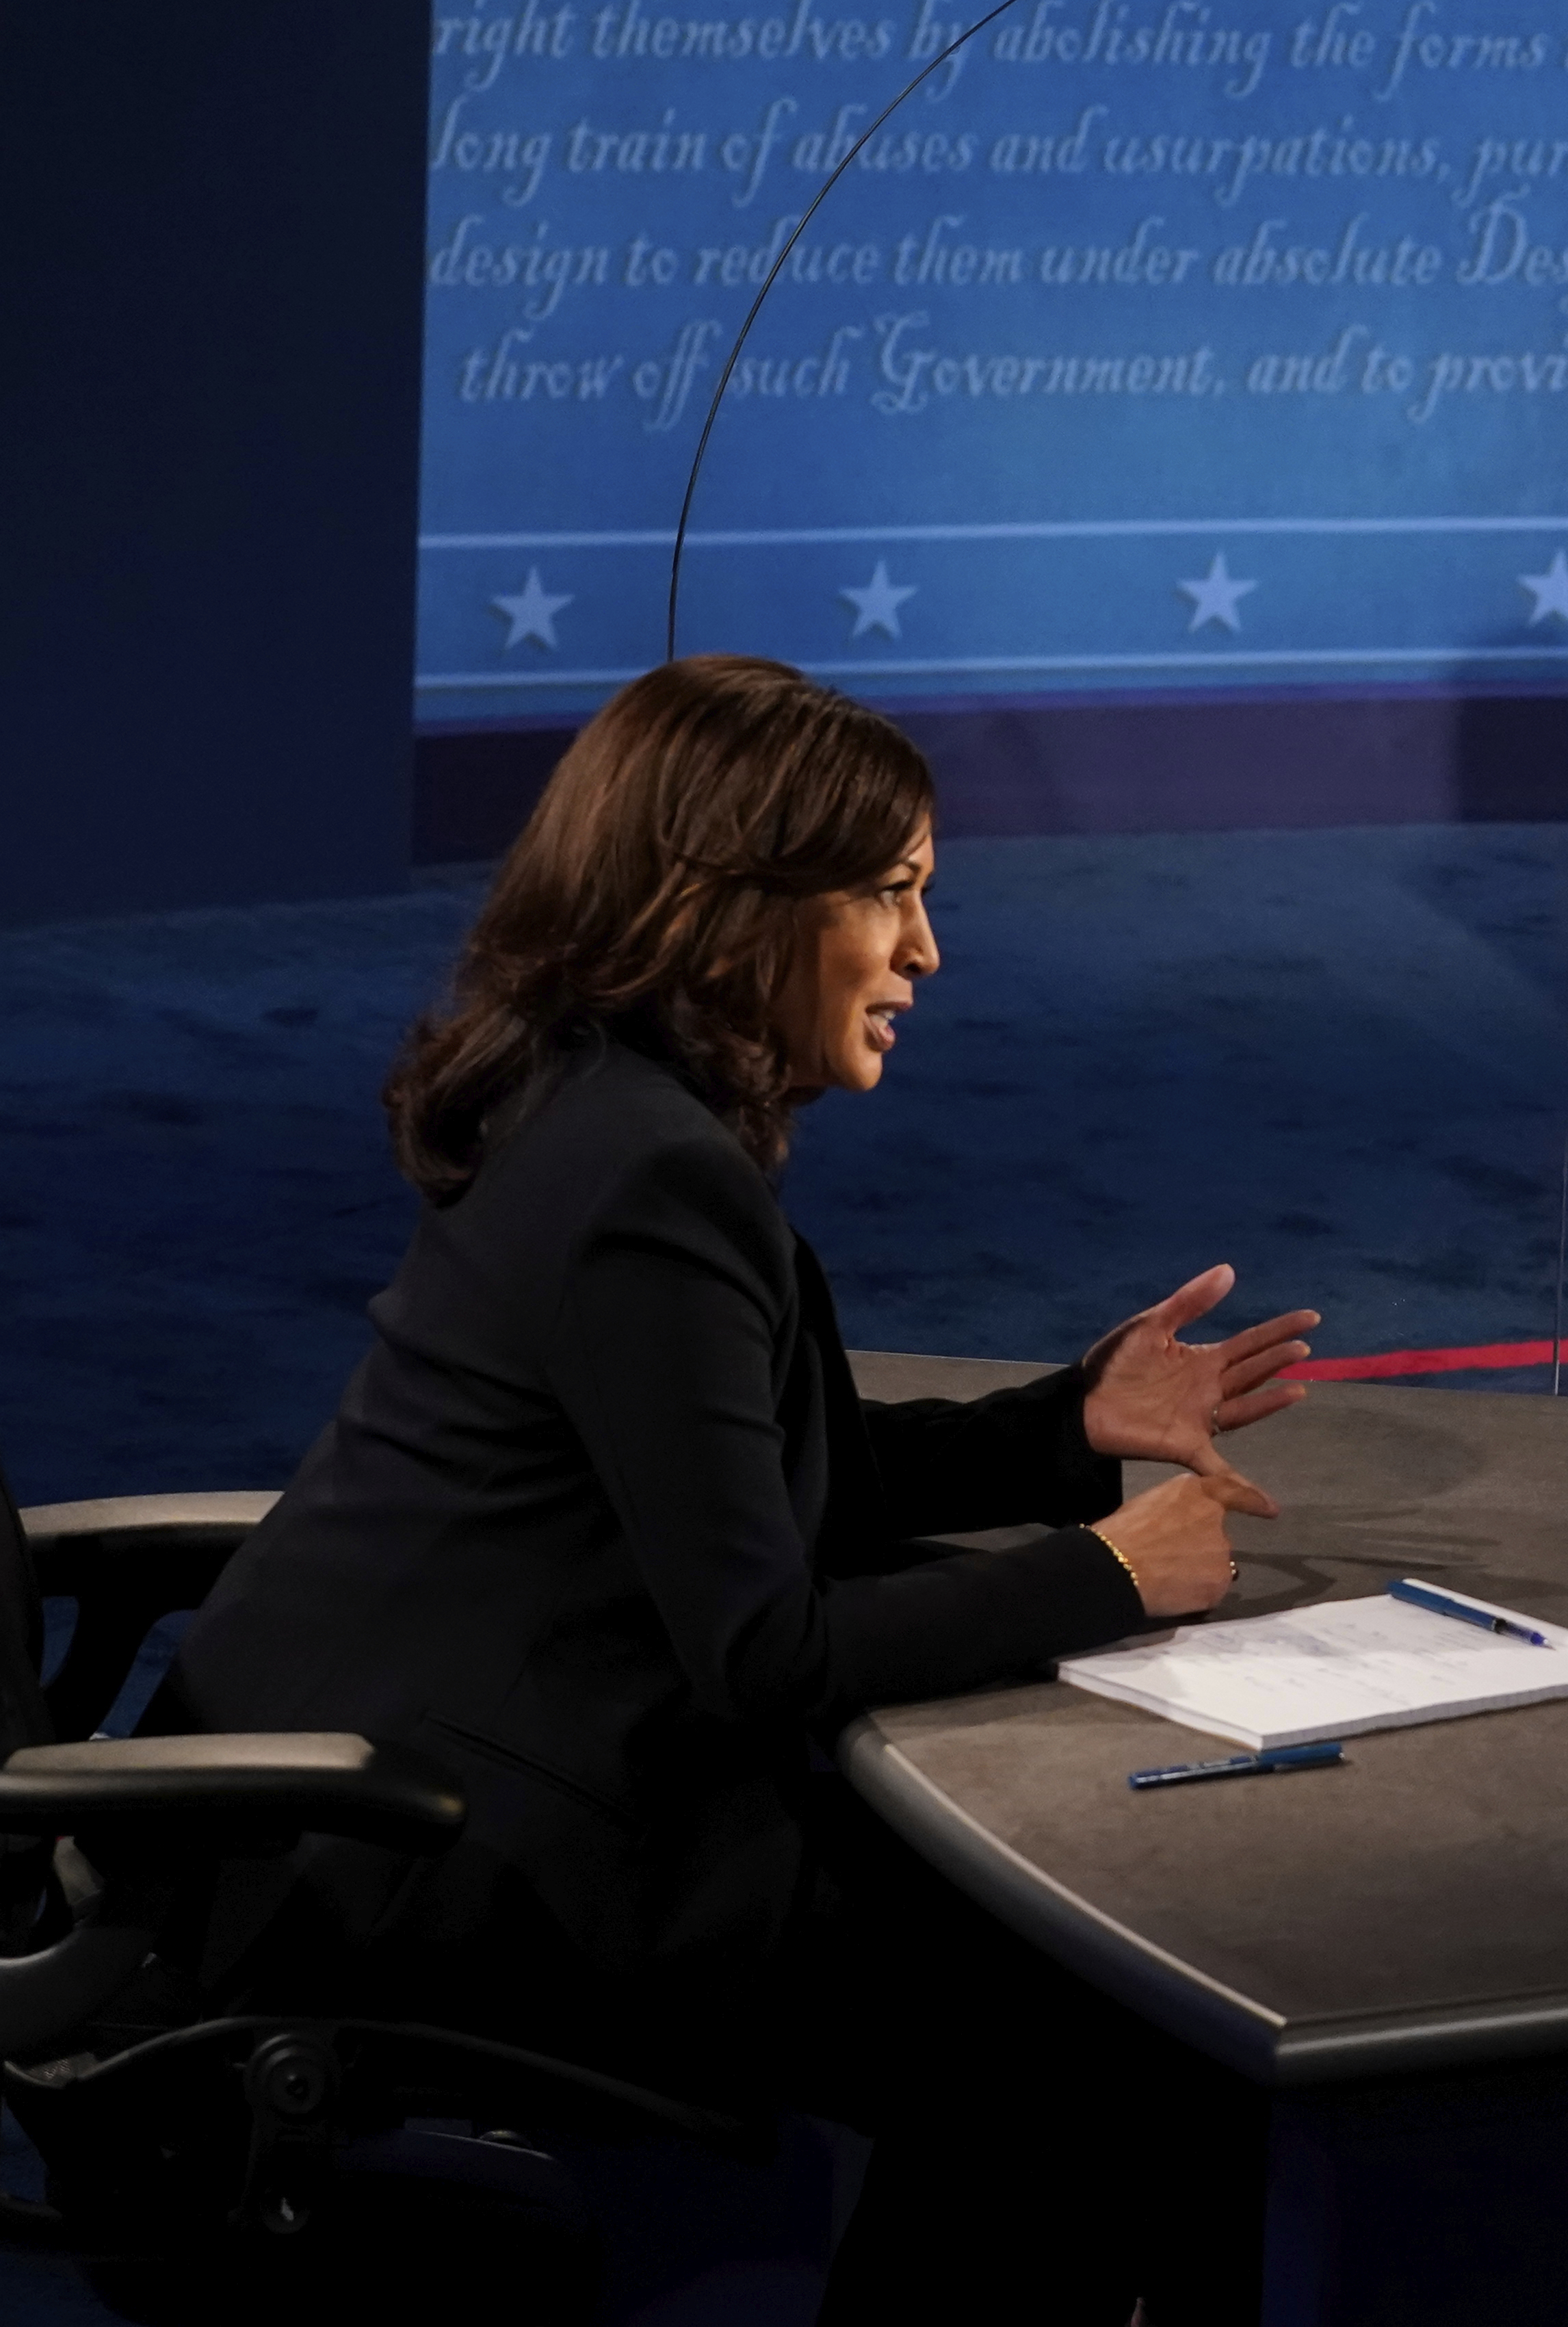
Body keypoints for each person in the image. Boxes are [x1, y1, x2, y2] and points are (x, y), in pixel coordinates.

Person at [158, 655, 1314, 2320]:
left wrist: (1075, 1428)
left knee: (1082, 2002)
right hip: (433, 1849)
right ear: (735, 904)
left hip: (411, 1771)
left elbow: (767, 1473)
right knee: (1099, 2038)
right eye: (894, 893)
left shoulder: (601, 1101)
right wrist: (1112, 1575)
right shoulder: (648, 1174)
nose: (927, 950)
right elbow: (762, 1645)